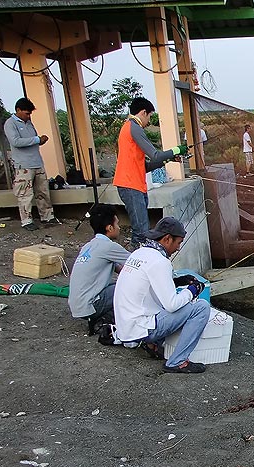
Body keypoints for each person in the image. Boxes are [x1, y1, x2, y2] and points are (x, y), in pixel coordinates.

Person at [113, 216, 210, 374]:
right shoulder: (160, 262)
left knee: (163, 305)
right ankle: (177, 362)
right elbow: (171, 304)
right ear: (167, 239)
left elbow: (150, 286)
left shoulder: (139, 253)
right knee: (201, 308)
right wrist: (192, 291)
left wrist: (178, 281)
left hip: (126, 327)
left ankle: (153, 345)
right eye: (178, 243)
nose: (178, 248)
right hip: (141, 328)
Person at [114, 97, 187, 248]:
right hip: (130, 184)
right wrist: (176, 149)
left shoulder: (129, 128)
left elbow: (145, 166)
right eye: (150, 116)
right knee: (141, 232)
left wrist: (169, 159)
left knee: (141, 229)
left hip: (135, 184)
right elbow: (155, 155)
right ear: (143, 112)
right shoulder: (134, 127)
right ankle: (135, 264)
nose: (149, 121)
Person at [68, 203, 130, 334]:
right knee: (127, 287)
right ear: (109, 228)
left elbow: (121, 269)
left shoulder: (89, 246)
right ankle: (107, 320)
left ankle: (104, 318)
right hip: (90, 305)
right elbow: (139, 263)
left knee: (120, 284)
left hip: (78, 305)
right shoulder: (108, 247)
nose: (119, 228)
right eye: (117, 224)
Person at [3, 98, 59, 231]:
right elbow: (16, 141)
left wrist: (40, 140)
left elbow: (32, 141)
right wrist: (36, 139)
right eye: (26, 113)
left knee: (43, 191)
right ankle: (26, 220)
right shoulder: (10, 124)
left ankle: (47, 216)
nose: (29, 116)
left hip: (37, 162)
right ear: (18, 110)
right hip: (23, 165)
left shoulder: (29, 123)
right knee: (25, 194)